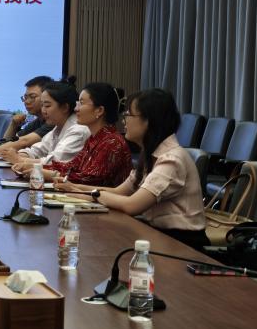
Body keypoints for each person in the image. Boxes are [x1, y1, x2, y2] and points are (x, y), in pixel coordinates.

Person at [56, 88, 210, 250]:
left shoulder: (172, 159)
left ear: (148, 120)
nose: (124, 121)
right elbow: (119, 192)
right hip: (159, 234)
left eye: (128, 115)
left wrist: (90, 195)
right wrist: (74, 188)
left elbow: (131, 205)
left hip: (182, 244)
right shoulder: (151, 153)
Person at [17, 82, 131, 186]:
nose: (76, 109)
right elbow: (70, 166)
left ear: (99, 110)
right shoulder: (94, 138)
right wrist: (35, 167)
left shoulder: (111, 142)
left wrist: (45, 172)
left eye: (81, 103)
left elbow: (89, 180)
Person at [8, 77, 90, 166]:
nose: (43, 111)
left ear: (65, 107)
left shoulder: (78, 130)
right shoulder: (57, 128)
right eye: (42, 105)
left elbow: (55, 162)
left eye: (47, 106)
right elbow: (38, 150)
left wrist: (20, 160)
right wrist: (20, 154)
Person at [0, 75, 55, 158]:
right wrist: (13, 124)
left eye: (32, 97)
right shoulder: (37, 121)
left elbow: (24, 141)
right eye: (25, 97)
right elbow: (7, 143)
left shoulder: (53, 121)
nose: (26, 102)